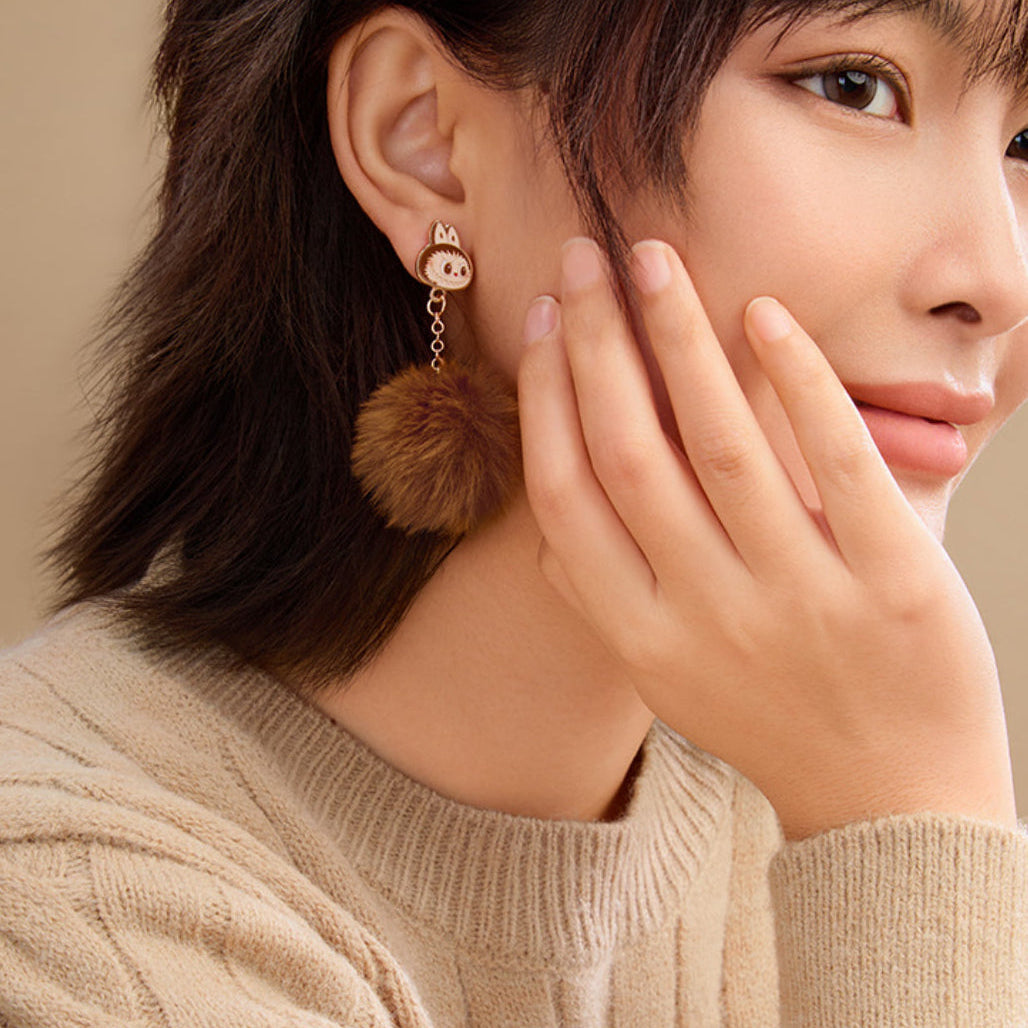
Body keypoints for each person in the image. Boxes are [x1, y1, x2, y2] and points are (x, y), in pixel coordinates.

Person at [2, 0, 1027, 1023]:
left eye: (1027, 143)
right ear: (423, 138)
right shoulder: (67, 925)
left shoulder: (825, 786)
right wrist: (907, 817)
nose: (998, 278)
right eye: (853, 85)